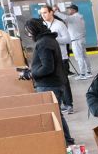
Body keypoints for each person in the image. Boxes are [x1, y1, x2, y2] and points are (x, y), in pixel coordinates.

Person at [20, 18, 75, 146]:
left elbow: (47, 68)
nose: (29, 35)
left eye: (29, 32)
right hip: (55, 83)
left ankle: (67, 141)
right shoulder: (49, 39)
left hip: (49, 85)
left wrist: (32, 74)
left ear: (34, 30)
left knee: (55, 114)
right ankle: (67, 141)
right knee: (57, 113)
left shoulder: (43, 43)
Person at [40, 4, 74, 114]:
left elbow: (68, 39)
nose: (43, 15)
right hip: (50, 59)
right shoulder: (42, 25)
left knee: (64, 82)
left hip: (61, 58)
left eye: (45, 12)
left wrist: (53, 39)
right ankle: (61, 104)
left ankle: (69, 105)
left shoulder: (59, 25)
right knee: (55, 82)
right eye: (41, 13)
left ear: (51, 12)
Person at [57, 4, 91, 80]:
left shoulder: (74, 17)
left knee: (79, 58)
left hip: (76, 41)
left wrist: (56, 12)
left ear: (73, 10)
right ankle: (88, 72)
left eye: (69, 9)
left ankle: (82, 74)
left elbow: (65, 17)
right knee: (84, 56)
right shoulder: (79, 17)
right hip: (81, 39)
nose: (68, 11)